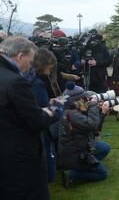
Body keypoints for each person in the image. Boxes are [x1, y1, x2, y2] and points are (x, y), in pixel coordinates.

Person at [0, 36, 55, 200]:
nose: (29, 68)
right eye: (30, 62)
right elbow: (37, 121)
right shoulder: (16, 82)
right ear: (20, 56)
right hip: (20, 156)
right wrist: (50, 112)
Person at [58, 90, 111, 188]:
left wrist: (101, 114)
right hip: (75, 153)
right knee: (102, 174)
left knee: (104, 148)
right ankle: (71, 174)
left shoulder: (69, 111)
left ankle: (86, 166)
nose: (86, 100)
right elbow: (92, 125)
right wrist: (93, 105)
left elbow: (94, 131)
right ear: (79, 100)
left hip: (73, 149)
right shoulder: (73, 114)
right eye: (85, 98)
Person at [27, 48, 65, 183]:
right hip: (42, 132)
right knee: (49, 172)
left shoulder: (29, 79)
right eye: (51, 65)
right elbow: (44, 114)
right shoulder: (37, 83)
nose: (52, 68)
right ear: (44, 64)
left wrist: (48, 103)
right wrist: (58, 106)